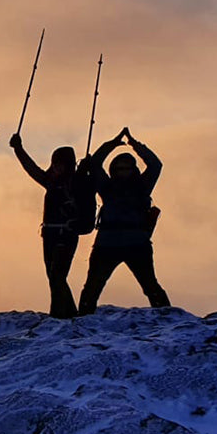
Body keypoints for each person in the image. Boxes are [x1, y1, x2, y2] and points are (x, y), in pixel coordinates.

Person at [78, 127, 170, 312]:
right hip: (112, 243)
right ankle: (83, 319)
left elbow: (155, 165)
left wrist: (135, 145)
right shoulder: (107, 187)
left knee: (150, 286)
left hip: (132, 243)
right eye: (120, 168)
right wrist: (112, 144)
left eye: (127, 168)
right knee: (92, 287)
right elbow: (95, 165)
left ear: (133, 169)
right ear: (114, 170)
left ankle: (165, 317)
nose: (124, 172)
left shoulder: (141, 186)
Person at [9, 134, 93, 318]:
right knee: (54, 276)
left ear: (68, 165)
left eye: (59, 164)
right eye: (54, 163)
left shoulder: (78, 182)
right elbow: (32, 170)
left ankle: (58, 315)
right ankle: (69, 313)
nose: (55, 167)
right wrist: (18, 150)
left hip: (66, 234)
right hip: (49, 234)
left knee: (57, 275)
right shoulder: (51, 181)